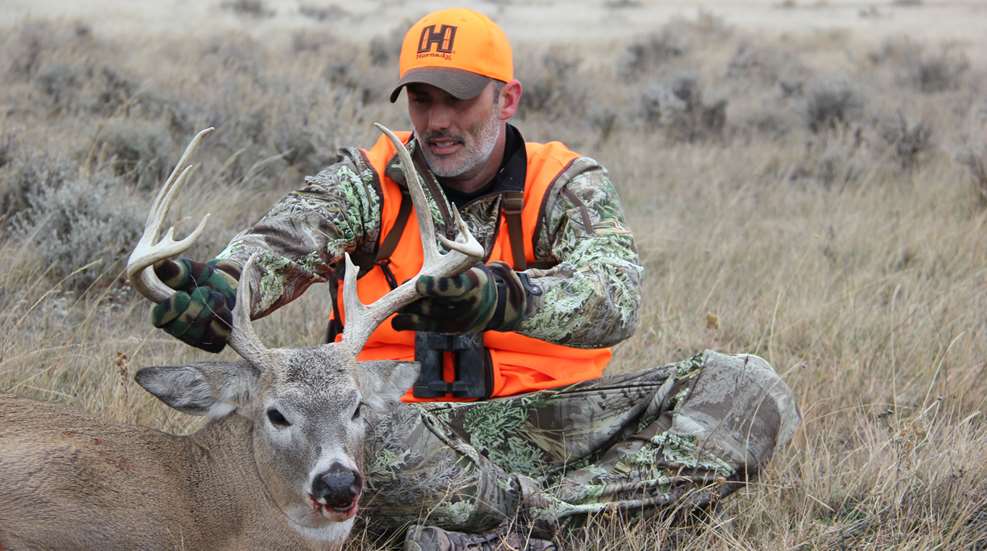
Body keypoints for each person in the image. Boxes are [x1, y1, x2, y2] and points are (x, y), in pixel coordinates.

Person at [150, 8, 799, 551]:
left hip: (549, 423)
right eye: (422, 99)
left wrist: (501, 296)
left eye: (458, 99)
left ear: (506, 98)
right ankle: (583, 521)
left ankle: (518, 527)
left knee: (747, 387)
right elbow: (287, 238)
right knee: (351, 429)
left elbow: (614, 297)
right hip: (401, 425)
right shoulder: (367, 181)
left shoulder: (564, 183)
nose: (436, 122)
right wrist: (227, 286)